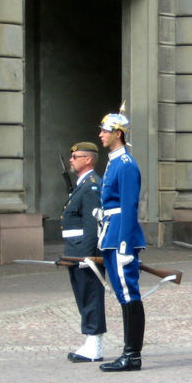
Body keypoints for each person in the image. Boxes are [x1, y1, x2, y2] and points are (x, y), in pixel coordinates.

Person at [96, 107, 147, 372]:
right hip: (111, 232)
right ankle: (129, 352)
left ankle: (132, 354)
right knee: (121, 293)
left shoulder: (126, 164)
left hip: (120, 236)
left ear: (118, 134)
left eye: (105, 130)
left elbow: (129, 206)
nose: (101, 134)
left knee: (129, 293)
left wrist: (125, 244)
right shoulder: (114, 162)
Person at [62, 141, 107, 363]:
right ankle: (90, 341)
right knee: (83, 296)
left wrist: (88, 255)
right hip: (76, 251)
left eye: (75, 156)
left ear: (88, 159)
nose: (71, 160)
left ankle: (94, 345)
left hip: (84, 253)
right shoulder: (82, 185)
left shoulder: (91, 186)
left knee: (91, 296)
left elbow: (92, 225)